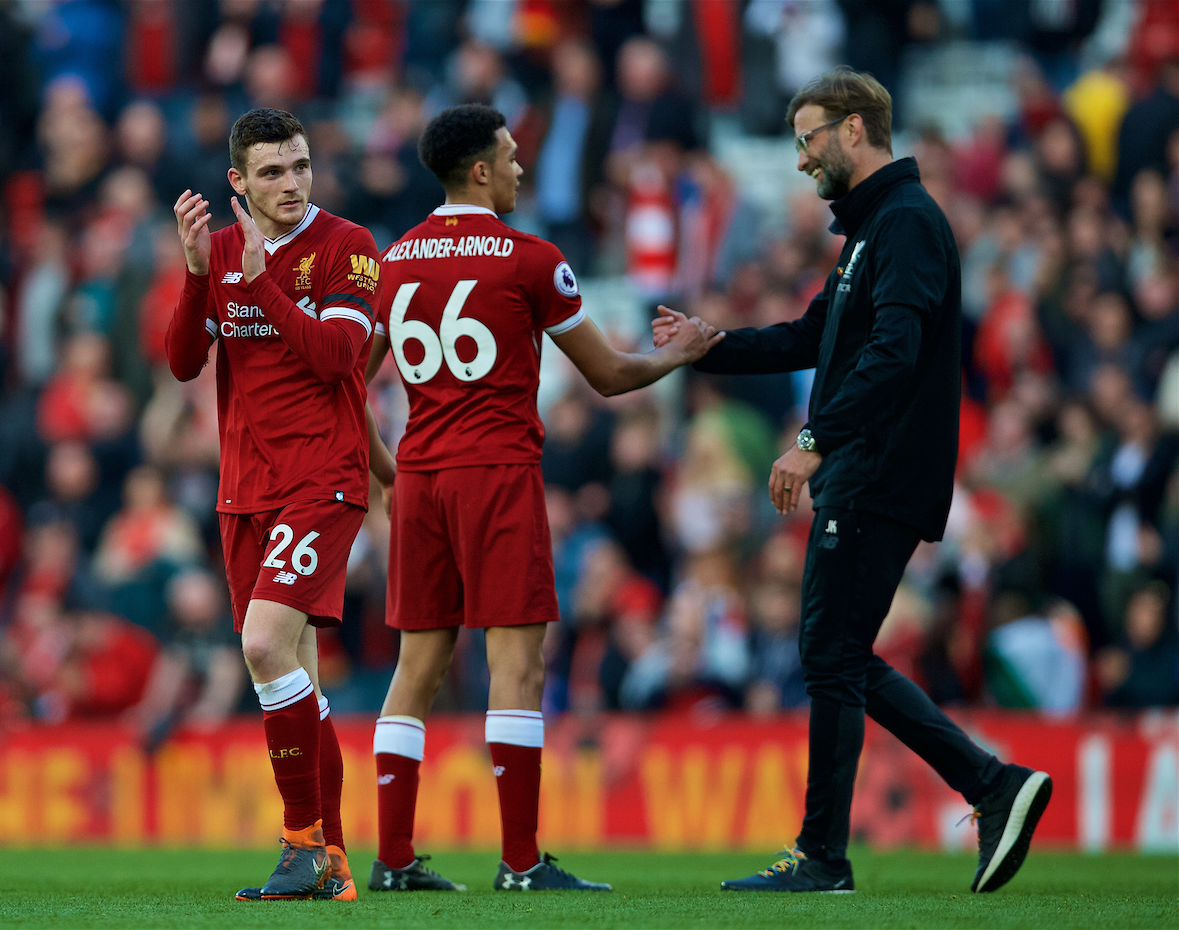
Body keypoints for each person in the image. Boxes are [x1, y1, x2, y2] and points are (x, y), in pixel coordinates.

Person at [654, 68, 1052, 895]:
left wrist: (813, 440)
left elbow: (894, 353)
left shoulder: (905, 224)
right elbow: (814, 335)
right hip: (871, 469)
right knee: (833, 654)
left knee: (829, 656)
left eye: (808, 138)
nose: (800, 160)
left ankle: (830, 854)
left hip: (877, 471)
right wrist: (713, 344)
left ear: (856, 129)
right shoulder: (875, 230)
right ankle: (986, 786)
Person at [366, 103, 721, 894]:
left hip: (422, 478)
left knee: (415, 668)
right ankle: (521, 862)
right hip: (496, 472)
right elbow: (609, 375)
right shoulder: (530, 260)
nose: (523, 167)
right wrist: (682, 354)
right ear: (481, 170)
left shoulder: (393, 262)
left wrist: (389, 475)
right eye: (512, 154)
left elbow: (343, 389)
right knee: (517, 667)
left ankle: (391, 860)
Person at [166, 107, 397, 902]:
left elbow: (340, 355)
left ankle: (299, 844)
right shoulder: (222, 251)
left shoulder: (350, 248)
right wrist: (200, 274)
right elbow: (181, 362)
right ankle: (332, 864)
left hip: (322, 476)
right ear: (239, 181)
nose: (291, 182)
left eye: (299, 165)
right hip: (245, 488)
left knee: (263, 645)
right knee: (292, 675)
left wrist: (264, 281)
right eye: (271, 171)